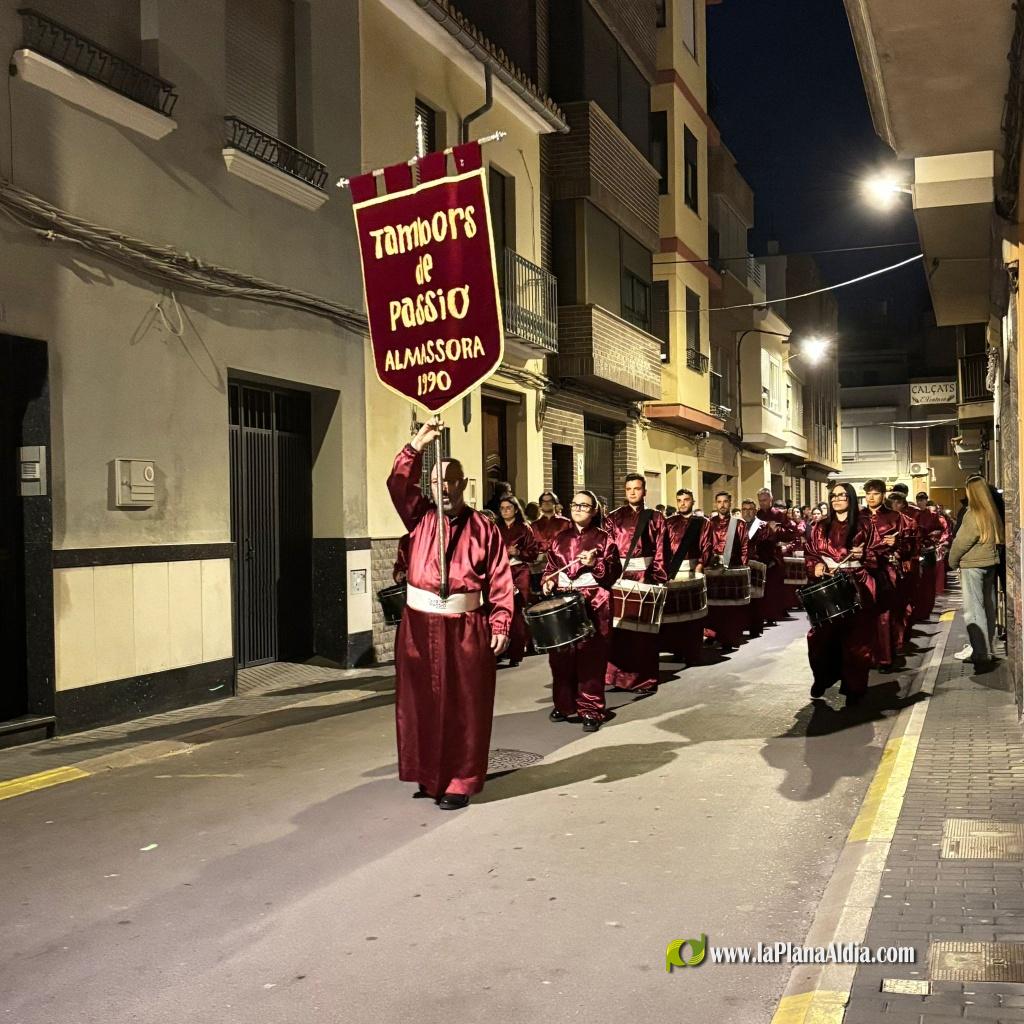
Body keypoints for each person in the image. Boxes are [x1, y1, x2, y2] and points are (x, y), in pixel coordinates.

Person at [387, 418, 514, 810]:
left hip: (464, 627)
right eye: (435, 482)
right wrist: (417, 445)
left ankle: (460, 780)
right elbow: (397, 485)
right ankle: (429, 775)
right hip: (418, 626)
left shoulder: (485, 528)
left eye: (450, 481)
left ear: (463, 484)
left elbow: (499, 578)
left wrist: (501, 620)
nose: (442, 488)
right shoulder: (419, 517)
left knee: (464, 706)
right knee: (419, 703)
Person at [541, 490, 621, 731]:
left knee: (590, 656)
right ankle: (564, 704)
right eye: (575, 504)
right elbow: (551, 568)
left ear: (594, 511)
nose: (577, 508)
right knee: (561, 656)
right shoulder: (559, 538)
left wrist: (594, 564)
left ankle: (591, 709)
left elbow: (612, 574)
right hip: (564, 600)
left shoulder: (604, 538)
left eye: (584, 506)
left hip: (594, 601)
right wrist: (548, 581)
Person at [805, 483, 874, 707]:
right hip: (827, 584)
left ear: (851, 498)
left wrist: (865, 554)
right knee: (819, 638)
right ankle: (823, 678)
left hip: (857, 585)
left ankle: (854, 688)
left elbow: (878, 554)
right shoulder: (819, 527)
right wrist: (815, 566)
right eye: (833, 496)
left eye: (842, 495)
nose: (836, 499)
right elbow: (811, 553)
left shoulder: (865, 525)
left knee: (856, 642)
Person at [604, 473, 667, 696]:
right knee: (618, 630)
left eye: (637, 488)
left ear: (644, 491)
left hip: (645, 576)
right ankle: (617, 676)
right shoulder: (613, 517)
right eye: (629, 488)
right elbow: (607, 549)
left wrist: (657, 577)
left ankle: (644, 679)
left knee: (643, 632)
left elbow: (661, 550)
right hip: (619, 577)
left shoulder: (656, 517)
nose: (632, 492)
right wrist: (609, 575)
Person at [948, 476, 1003, 666]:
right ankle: (988, 649)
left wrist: (952, 562)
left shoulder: (973, 514)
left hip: (973, 564)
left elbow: (961, 542)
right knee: (989, 607)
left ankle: (980, 653)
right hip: (990, 564)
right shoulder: (991, 512)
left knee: (974, 610)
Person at [660, 489, 710, 665]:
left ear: (693, 501)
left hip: (692, 569)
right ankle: (676, 649)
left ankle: (692, 651)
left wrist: (699, 568)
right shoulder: (669, 522)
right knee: (673, 614)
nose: (682, 503)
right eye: (679, 500)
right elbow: (663, 547)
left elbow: (706, 547)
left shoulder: (703, 522)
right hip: (672, 571)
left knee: (692, 615)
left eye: (686, 500)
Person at [861, 479, 903, 671]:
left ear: (883, 495)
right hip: (860, 571)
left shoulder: (894, 517)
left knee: (884, 615)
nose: (871, 497)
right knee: (863, 616)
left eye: (875, 493)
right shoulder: (858, 516)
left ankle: (885, 658)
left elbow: (909, 543)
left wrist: (896, 544)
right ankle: (865, 657)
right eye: (868, 493)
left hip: (884, 570)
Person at [701, 490, 749, 652]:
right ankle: (713, 635)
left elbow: (744, 547)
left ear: (730, 503)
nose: (722, 505)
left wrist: (742, 568)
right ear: (716, 504)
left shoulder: (739, 524)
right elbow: (705, 545)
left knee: (730, 607)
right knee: (713, 605)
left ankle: (729, 638)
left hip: (732, 569)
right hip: (713, 570)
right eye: (719, 502)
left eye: (725, 501)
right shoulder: (709, 523)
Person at [497, 495, 539, 667]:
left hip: (519, 571)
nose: (505, 510)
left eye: (509, 507)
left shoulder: (524, 528)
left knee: (517, 610)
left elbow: (533, 553)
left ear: (515, 509)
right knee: (499, 609)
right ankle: (499, 650)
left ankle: (516, 652)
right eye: (502, 508)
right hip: (500, 572)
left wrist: (518, 553)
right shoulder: (496, 528)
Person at [754, 488, 796, 625]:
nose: (762, 503)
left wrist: (777, 530)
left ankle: (772, 615)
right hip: (759, 554)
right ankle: (760, 615)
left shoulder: (780, 515)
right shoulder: (756, 515)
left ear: (771, 500)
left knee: (773, 587)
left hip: (775, 554)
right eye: (760, 501)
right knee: (760, 586)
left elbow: (792, 531)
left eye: (765, 500)